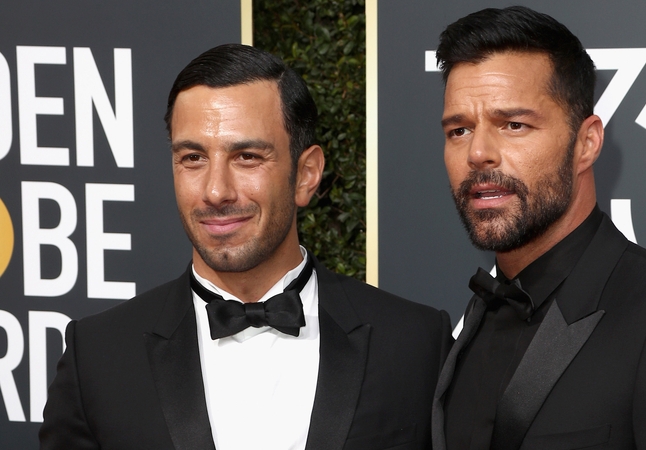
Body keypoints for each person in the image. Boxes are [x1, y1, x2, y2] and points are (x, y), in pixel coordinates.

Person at [40, 44, 451, 450]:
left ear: (307, 174)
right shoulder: (97, 355)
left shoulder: (415, 344)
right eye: (193, 158)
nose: (216, 191)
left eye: (247, 157)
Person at [430, 6, 646, 450]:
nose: (478, 153)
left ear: (587, 143)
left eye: (514, 125)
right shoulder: (467, 326)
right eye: (459, 130)